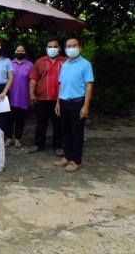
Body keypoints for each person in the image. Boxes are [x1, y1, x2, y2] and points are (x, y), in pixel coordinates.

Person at [54, 38, 94, 172]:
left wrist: (86, 106)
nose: (71, 48)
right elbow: (61, 85)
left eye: (74, 45)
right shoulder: (64, 64)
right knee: (65, 132)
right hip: (64, 103)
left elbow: (89, 86)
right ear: (65, 49)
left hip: (78, 103)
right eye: (68, 46)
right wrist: (58, 102)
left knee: (77, 133)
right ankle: (67, 156)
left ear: (79, 47)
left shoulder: (85, 64)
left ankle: (76, 160)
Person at [28, 38, 66, 156]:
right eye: (49, 47)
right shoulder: (39, 62)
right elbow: (33, 79)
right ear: (46, 49)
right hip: (42, 98)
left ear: (59, 48)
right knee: (41, 123)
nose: (52, 49)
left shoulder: (65, 62)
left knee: (58, 123)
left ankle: (58, 146)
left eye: (54, 46)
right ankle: (39, 144)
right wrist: (31, 94)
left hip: (59, 99)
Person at [6, 44, 33, 148]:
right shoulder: (9, 63)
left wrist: (31, 95)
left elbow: (32, 81)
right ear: (15, 51)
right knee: (9, 119)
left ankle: (18, 139)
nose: (20, 52)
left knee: (20, 120)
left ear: (25, 52)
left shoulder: (30, 65)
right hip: (9, 96)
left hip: (23, 97)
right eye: (18, 50)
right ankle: (8, 138)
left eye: (22, 51)